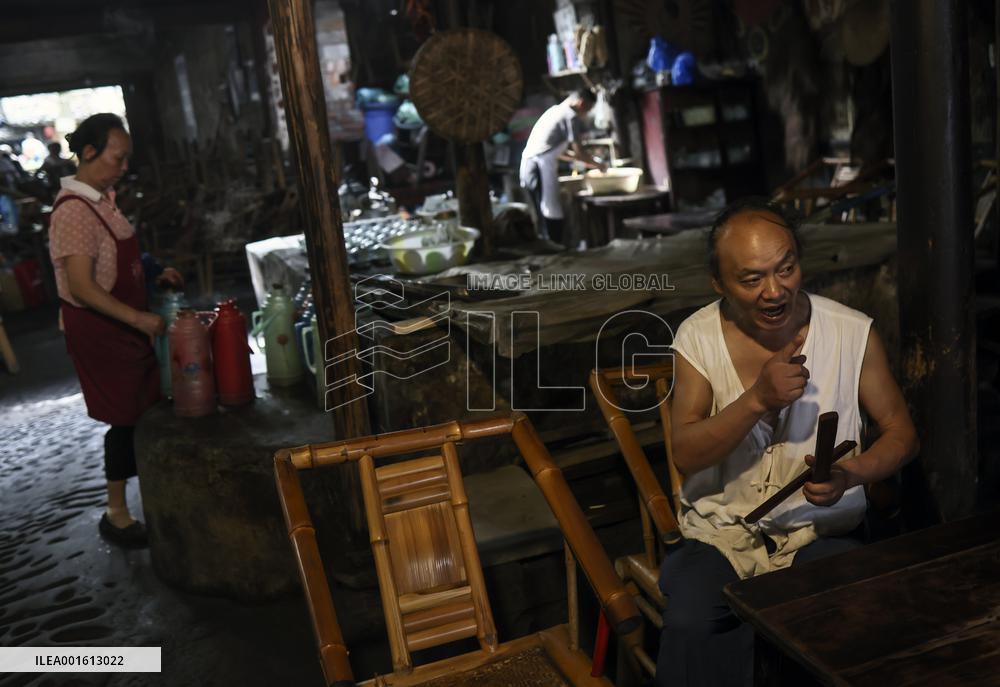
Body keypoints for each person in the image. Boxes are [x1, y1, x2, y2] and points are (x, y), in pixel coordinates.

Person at [656, 198, 918, 686]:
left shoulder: (850, 332)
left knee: (837, 614)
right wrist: (755, 400)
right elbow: (685, 453)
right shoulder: (697, 338)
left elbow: (902, 435)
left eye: (786, 269)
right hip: (722, 536)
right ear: (719, 283)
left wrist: (849, 475)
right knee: (692, 620)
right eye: (751, 279)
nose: (774, 291)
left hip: (819, 532)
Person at [48, 113, 183, 549]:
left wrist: (157, 271)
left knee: (141, 411)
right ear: (89, 154)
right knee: (125, 419)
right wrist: (139, 319)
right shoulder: (73, 213)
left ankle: (146, 500)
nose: (123, 167)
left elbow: (120, 259)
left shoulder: (103, 199)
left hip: (120, 319)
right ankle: (117, 513)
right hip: (100, 329)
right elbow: (83, 288)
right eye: (117, 158)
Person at [519, 90, 600, 245]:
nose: (585, 114)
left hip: (529, 167)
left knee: (542, 213)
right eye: (588, 109)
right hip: (539, 167)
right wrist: (600, 165)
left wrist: (590, 161)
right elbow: (579, 152)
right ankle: (556, 250)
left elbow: (560, 152)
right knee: (551, 211)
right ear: (581, 103)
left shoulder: (554, 111)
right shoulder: (571, 116)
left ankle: (551, 249)